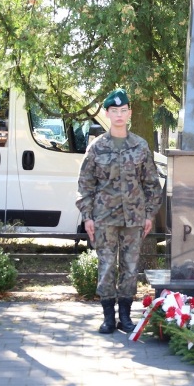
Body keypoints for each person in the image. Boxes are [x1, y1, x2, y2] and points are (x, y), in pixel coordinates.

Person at [76, 88, 162, 334]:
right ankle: (108, 317)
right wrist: (88, 216)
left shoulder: (140, 146)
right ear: (107, 114)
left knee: (130, 267)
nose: (119, 115)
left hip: (134, 218)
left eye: (123, 111)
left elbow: (151, 184)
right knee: (106, 267)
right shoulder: (96, 148)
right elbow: (85, 184)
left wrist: (149, 214)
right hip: (104, 218)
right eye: (114, 111)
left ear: (130, 113)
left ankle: (125, 316)